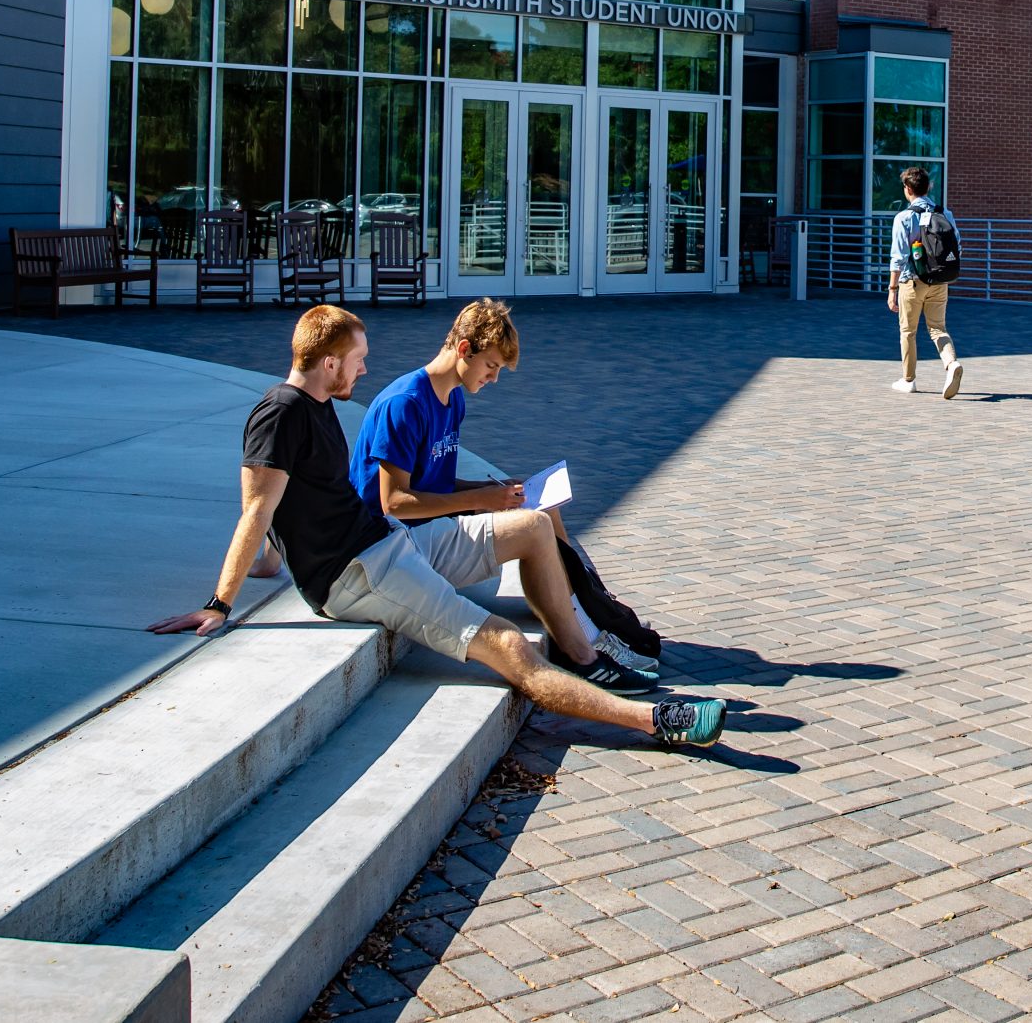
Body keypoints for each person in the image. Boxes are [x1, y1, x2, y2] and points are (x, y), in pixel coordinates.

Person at [148, 305, 725, 747]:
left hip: (387, 545)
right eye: (358, 358)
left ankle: (595, 633)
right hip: (361, 572)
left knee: (535, 524)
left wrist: (271, 559)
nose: (366, 366)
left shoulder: (316, 406)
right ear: (329, 361)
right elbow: (258, 506)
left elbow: (296, 503)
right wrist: (219, 603)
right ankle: (656, 720)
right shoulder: (281, 412)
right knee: (506, 643)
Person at [354, 298, 660, 676]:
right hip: (398, 546)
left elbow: (436, 483)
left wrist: (496, 491)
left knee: (542, 505)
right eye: (491, 366)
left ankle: (596, 617)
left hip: (427, 530)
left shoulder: (451, 400)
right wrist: (483, 499)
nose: (494, 378)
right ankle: (583, 651)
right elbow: (395, 503)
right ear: (464, 349)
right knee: (533, 529)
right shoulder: (405, 403)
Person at [886, 166, 964, 397]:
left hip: (912, 282)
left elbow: (898, 258)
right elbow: (958, 246)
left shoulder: (904, 218)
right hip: (940, 281)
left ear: (908, 189)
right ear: (928, 187)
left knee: (908, 331)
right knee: (938, 329)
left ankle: (908, 379)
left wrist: (892, 289)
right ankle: (951, 364)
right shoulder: (945, 214)